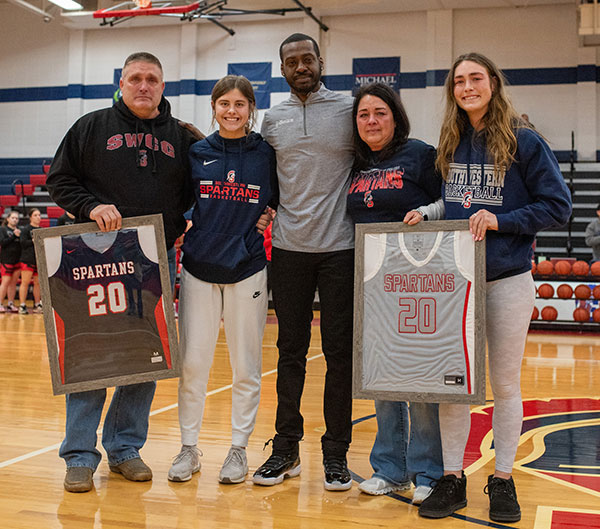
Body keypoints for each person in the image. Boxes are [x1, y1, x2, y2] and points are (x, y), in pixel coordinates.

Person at [405, 52, 571, 522]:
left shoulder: (523, 139)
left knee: (504, 384)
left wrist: (502, 221)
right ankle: (453, 478)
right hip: (457, 283)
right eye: (459, 81)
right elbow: (456, 200)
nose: (467, 87)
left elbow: (558, 206)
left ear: (493, 83)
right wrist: (430, 214)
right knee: (455, 386)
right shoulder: (452, 140)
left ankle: (502, 478)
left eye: (475, 78)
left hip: (508, 281)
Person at [46, 51, 196, 493]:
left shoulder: (181, 138)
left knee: (145, 355)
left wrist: (184, 221)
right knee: (92, 354)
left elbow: (198, 191)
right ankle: (78, 455)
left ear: (163, 86)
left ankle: (125, 448)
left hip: (154, 260)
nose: (144, 86)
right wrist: (90, 206)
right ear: (122, 83)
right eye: (135, 79)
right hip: (92, 260)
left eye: (152, 78)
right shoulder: (90, 127)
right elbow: (60, 180)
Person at [252, 33, 356, 491]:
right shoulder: (272, 120)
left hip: (342, 248)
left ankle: (336, 455)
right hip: (290, 250)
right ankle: (285, 449)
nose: (300, 66)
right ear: (282, 69)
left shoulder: (351, 109)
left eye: (307, 59)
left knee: (339, 355)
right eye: (291, 61)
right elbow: (260, 179)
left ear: (320, 61)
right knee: (289, 353)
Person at [168, 75, 276, 485]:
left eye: (240, 104)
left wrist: (267, 216)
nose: (232, 111)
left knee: (245, 365)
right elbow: (178, 204)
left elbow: (278, 199)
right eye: (224, 104)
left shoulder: (266, 154)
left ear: (251, 109)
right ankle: (189, 447)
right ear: (214, 107)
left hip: (247, 266)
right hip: (198, 267)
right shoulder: (197, 152)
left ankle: (238, 449)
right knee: (193, 364)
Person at [346, 82, 444, 504]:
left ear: (396, 117)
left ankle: (428, 471)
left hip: (418, 280)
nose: (371, 120)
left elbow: (451, 201)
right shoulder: (354, 162)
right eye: (364, 114)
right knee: (381, 375)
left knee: (420, 377)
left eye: (380, 113)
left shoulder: (420, 155)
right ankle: (390, 469)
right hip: (370, 280)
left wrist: (426, 212)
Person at [18, 207, 43, 314]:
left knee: (38, 283)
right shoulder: (26, 229)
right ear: (30, 217)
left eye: (39, 215)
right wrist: (33, 241)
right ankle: (22, 305)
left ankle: (38, 304)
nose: (38, 217)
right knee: (25, 282)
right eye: (36, 215)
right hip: (27, 259)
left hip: (39, 259)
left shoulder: (42, 230)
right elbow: (22, 243)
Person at [0, 210, 22, 313]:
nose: (15, 220)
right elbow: (3, 243)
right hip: (6, 260)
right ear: (8, 219)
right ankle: (0, 303)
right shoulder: (3, 229)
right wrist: (14, 236)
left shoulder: (20, 230)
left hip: (17, 260)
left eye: (16, 218)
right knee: (5, 283)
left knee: (13, 284)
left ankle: (10, 303)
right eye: (13, 218)